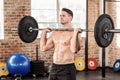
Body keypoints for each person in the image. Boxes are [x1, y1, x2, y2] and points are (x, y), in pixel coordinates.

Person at [40, 8, 81, 80]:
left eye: (63, 16)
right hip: (54, 67)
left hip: (67, 68)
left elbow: (74, 49)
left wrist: (75, 33)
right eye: (60, 15)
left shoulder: (74, 34)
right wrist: (43, 33)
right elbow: (43, 48)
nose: (61, 17)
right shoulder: (55, 33)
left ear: (70, 18)